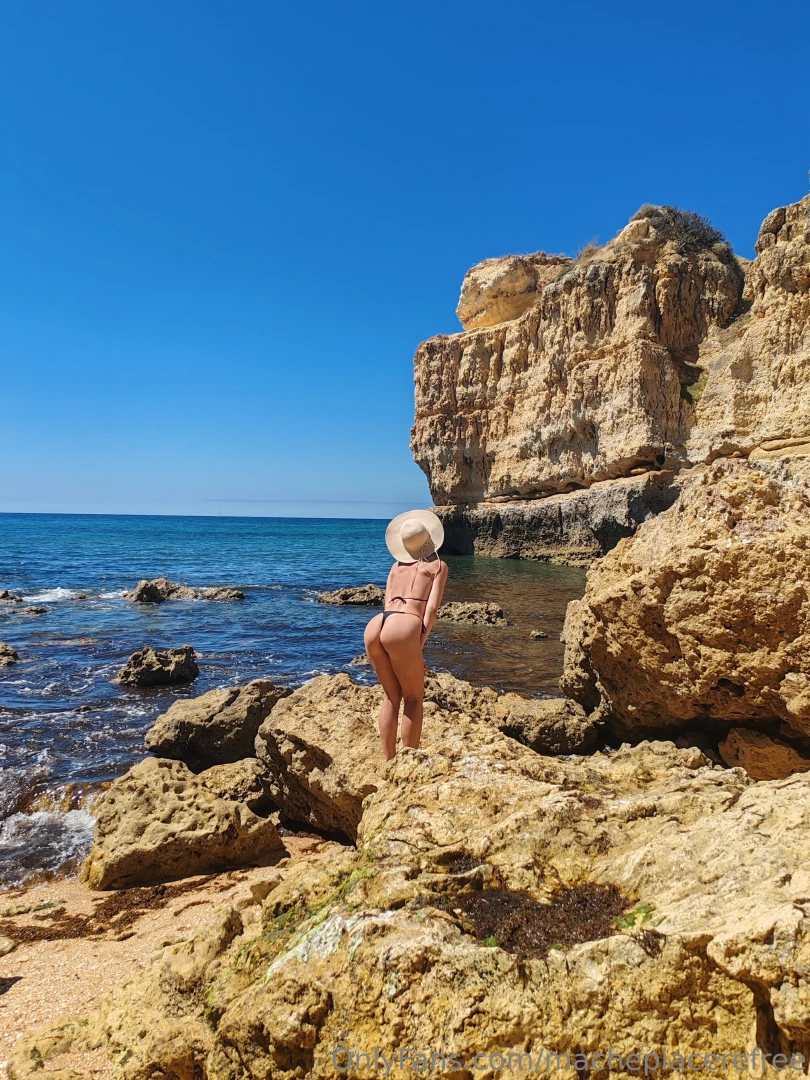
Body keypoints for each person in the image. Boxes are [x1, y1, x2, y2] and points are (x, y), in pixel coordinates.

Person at [364, 509, 448, 760]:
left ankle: (389, 760)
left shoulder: (394, 566)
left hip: (378, 623)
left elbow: (387, 602)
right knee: (413, 698)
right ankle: (407, 763)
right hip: (405, 625)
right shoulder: (439, 566)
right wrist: (418, 645)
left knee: (391, 696)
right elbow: (431, 609)